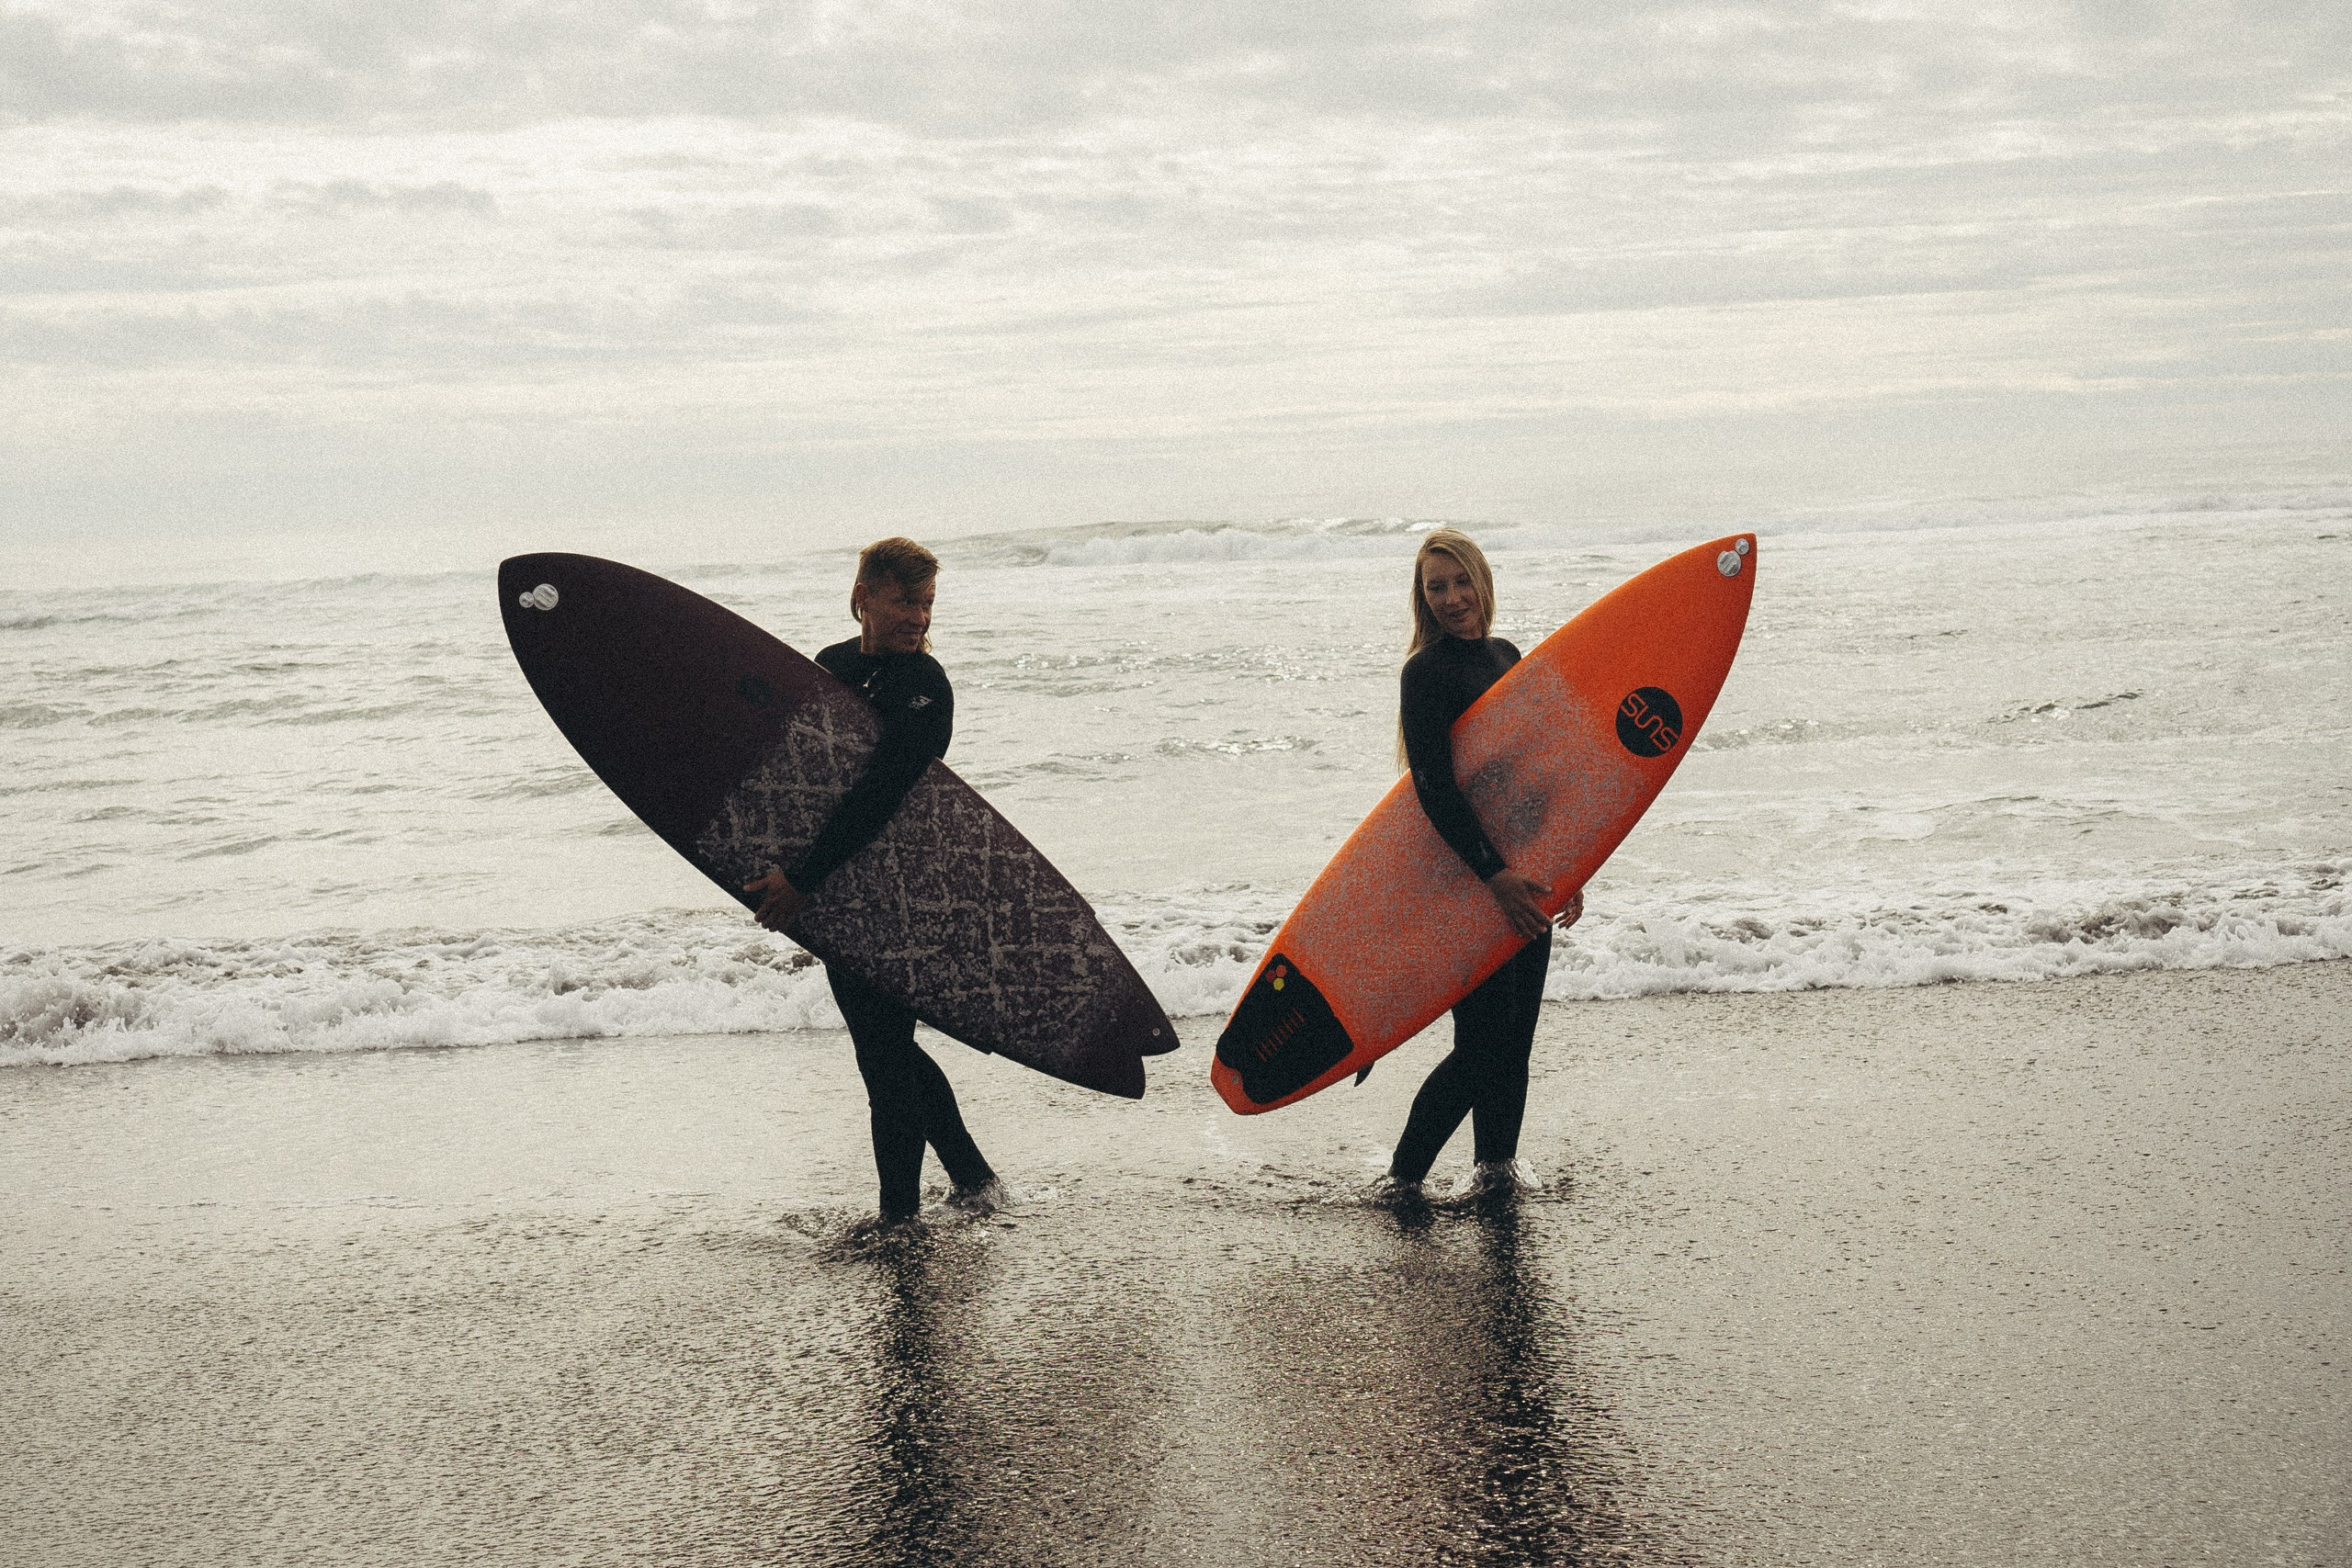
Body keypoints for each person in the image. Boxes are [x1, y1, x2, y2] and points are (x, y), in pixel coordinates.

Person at [741, 537, 1002, 1228]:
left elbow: (880, 794)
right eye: (904, 601)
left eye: (927, 604)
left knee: (885, 1057)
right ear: (863, 597)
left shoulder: (925, 688)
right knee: (883, 1048)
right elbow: (803, 782)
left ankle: (899, 1218)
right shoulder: (830, 667)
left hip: (902, 894)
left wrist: (801, 879)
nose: (918, 617)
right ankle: (974, 1178)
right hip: (839, 892)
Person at [1385, 527, 1584, 1198]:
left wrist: (1570, 868)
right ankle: (1403, 1179)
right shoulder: (1425, 673)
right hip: (1468, 882)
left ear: (1482, 580)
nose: (1451, 598)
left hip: (1524, 879)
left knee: (1515, 1044)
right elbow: (1434, 787)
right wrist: (1493, 875)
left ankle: (1494, 1168)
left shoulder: (1507, 656)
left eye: (1460, 581)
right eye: (1435, 587)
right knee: (1481, 1050)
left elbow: (1535, 780)